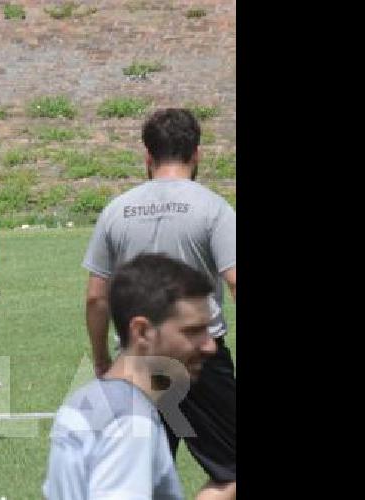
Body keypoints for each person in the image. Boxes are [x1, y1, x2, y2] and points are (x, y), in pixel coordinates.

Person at [82, 108, 236, 499]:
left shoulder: (115, 211)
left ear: (147, 157)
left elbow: (96, 296)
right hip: (198, 360)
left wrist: (101, 356)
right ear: (196, 154)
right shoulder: (214, 209)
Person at [44, 253, 218, 500]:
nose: (210, 346)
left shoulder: (85, 401)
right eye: (193, 331)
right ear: (142, 331)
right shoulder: (131, 423)